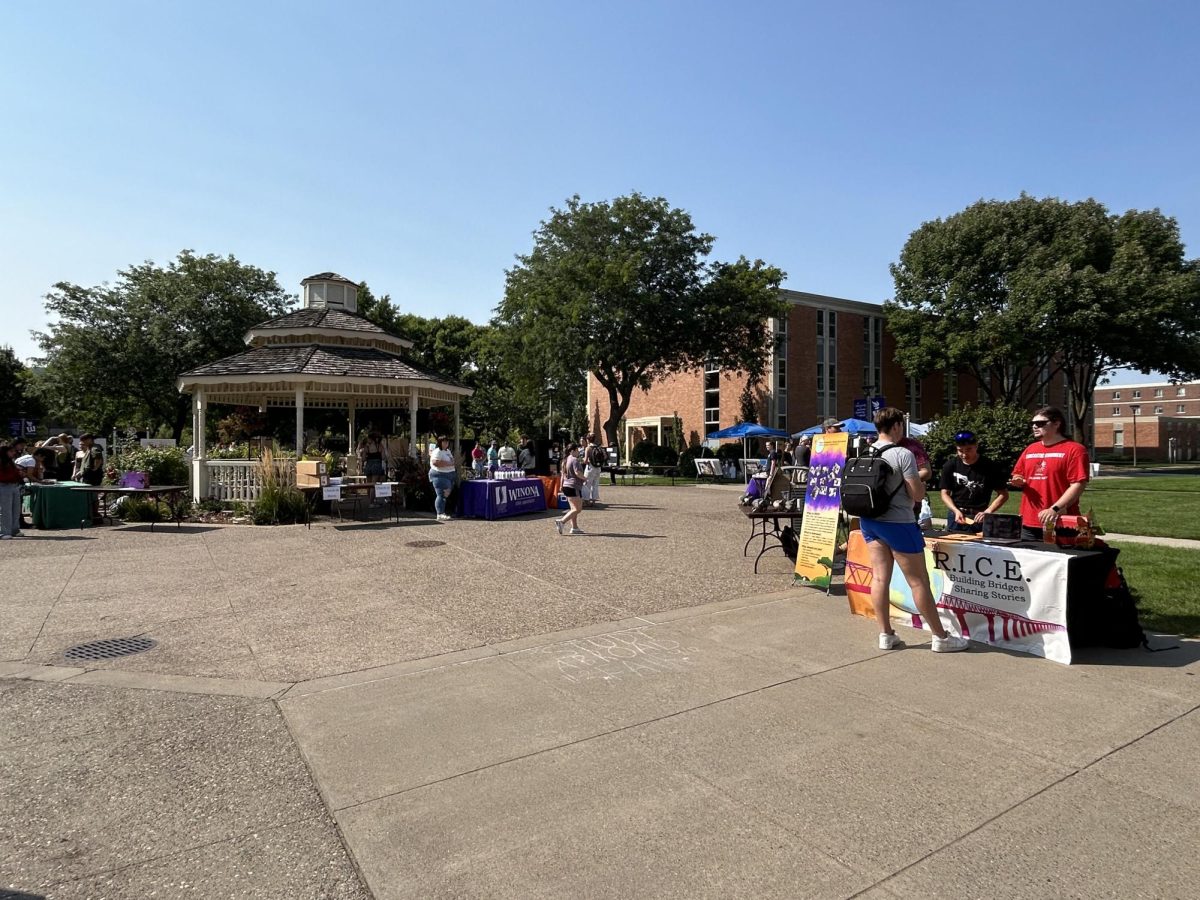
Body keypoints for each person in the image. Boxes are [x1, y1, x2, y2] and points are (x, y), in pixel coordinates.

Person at [860, 407, 969, 653]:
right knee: (919, 581)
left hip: (870, 521)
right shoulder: (903, 453)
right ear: (897, 426)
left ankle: (885, 634)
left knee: (879, 577)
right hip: (898, 522)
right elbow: (917, 493)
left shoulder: (866, 450)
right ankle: (940, 637)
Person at [1009, 406, 1090, 542]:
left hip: (1060, 522)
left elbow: (1078, 484)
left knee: (1060, 562)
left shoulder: (1075, 450)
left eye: (1040, 423)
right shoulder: (1030, 449)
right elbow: (1018, 474)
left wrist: (1055, 509)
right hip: (1028, 522)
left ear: (1057, 424)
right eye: (1032, 424)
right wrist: (1017, 479)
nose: (1034, 426)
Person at [939, 431, 1010, 534]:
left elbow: (1003, 494)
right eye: (960, 450)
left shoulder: (990, 466)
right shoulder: (950, 465)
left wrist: (988, 511)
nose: (964, 454)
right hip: (956, 514)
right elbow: (944, 493)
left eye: (968, 450)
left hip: (979, 516)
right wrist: (955, 510)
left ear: (976, 446)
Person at [554, 441, 585, 535]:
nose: (578, 452)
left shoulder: (565, 460)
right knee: (577, 509)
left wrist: (560, 486)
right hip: (573, 486)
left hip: (566, 486)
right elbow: (577, 473)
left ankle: (574, 527)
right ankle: (562, 521)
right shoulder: (574, 460)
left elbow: (562, 475)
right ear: (573, 451)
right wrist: (585, 478)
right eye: (577, 450)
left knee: (573, 508)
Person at [428, 435, 457, 520]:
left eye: (447, 442)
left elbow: (452, 460)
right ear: (440, 443)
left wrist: (451, 463)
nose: (446, 443)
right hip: (440, 475)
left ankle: (442, 512)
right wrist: (448, 464)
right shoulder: (437, 451)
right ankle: (440, 513)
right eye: (444, 442)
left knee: (445, 494)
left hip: (449, 475)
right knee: (441, 494)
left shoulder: (447, 451)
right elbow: (435, 462)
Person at [0, 443, 24, 539]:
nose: (13, 453)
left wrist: (20, 474)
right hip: (4, 486)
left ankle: (15, 529)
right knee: (6, 510)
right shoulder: (1, 462)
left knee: (16, 509)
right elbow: (4, 476)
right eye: (11, 451)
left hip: (14, 486)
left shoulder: (11, 461)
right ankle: (4, 532)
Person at [583, 435, 605, 506]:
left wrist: (583, 460)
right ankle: (594, 500)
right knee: (595, 485)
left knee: (587, 484)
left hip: (590, 467)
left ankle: (586, 500)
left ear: (588, 440)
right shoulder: (598, 447)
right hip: (598, 468)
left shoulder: (588, 448)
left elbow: (585, 461)